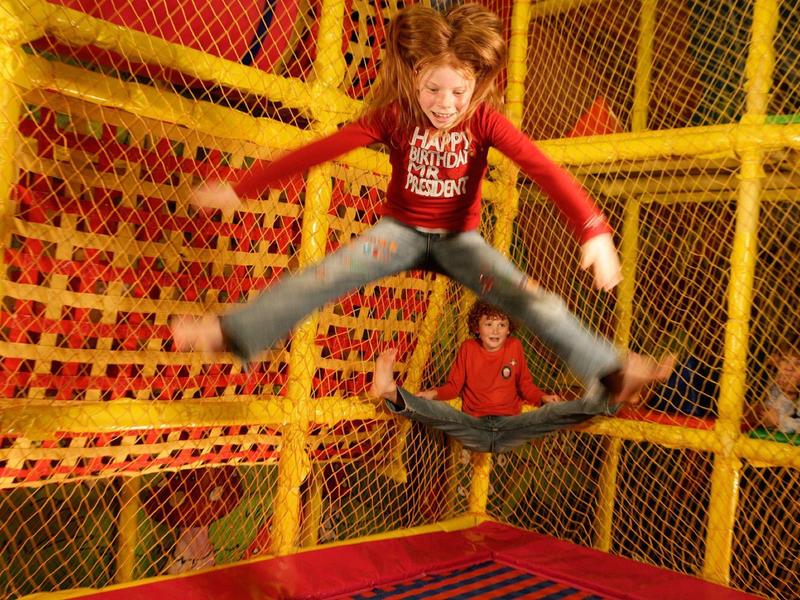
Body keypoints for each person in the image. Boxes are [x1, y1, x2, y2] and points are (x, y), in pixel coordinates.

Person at [171, 3, 671, 408]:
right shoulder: (396, 116)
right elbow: (323, 148)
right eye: (433, 88)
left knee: (535, 300)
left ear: (477, 82)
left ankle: (611, 372)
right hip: (399, 234)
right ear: (414, 76)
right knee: (321, 277)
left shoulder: (485, 123)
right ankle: (233, 332)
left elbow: (543, 168)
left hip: (460, 243)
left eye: (460, 91)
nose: (445, 104)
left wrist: (594, 229)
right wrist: (241, 188)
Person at [372, 301, 668, 453]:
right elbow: (454, 386)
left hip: (511, 425)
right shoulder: (467, 349)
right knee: (439, 414)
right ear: (477, 327)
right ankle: (389, 391)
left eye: (502, 325)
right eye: (490, 325)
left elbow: (524, 384)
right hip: (474, 426)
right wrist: (433, 394)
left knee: (559, 412)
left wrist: (541, 397)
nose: (496, 331)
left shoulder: (515, 347)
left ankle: (618, 392)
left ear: (509, 328)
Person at [762, 344, 800, 434]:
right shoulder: (775, 385)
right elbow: (769, 414)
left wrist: (780, 422)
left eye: (798, 363)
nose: (788, 368)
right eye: (785, 360)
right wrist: (787, 394)